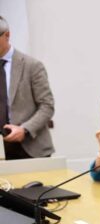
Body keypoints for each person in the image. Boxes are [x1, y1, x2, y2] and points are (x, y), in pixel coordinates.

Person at [0, 16, 55, 159]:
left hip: (31, 148)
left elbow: (47, 106)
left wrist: (24, 129)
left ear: (7, 35)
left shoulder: (32, 66)